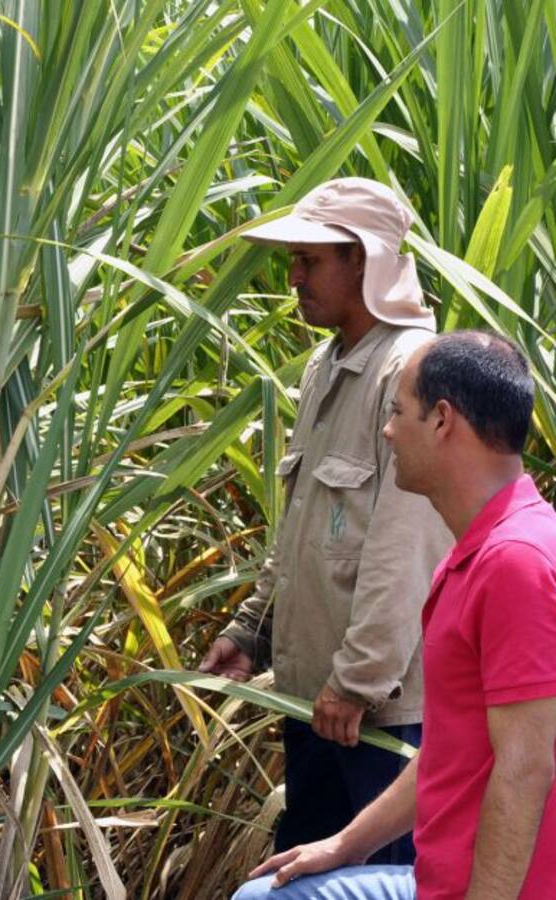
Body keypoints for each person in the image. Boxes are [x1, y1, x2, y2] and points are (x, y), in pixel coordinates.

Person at [233, 331, 556, 899]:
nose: (386, 431)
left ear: (442, 421)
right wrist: (345, 845)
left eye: (397, 412)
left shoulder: (517, 563)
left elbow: (527, 767)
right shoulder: (472, 555)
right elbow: (452, 750)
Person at [199, 178, 452, 862]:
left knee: (379, 880)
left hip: (381, 714)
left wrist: (360, 681)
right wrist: (254, 628)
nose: (294, 277)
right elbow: (306, 522)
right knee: (306, 874)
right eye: (294, 261)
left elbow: (408, 546)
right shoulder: (326, 364)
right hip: (318, 700)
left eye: (310, 261)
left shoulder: (414, 371)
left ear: (364, 262)